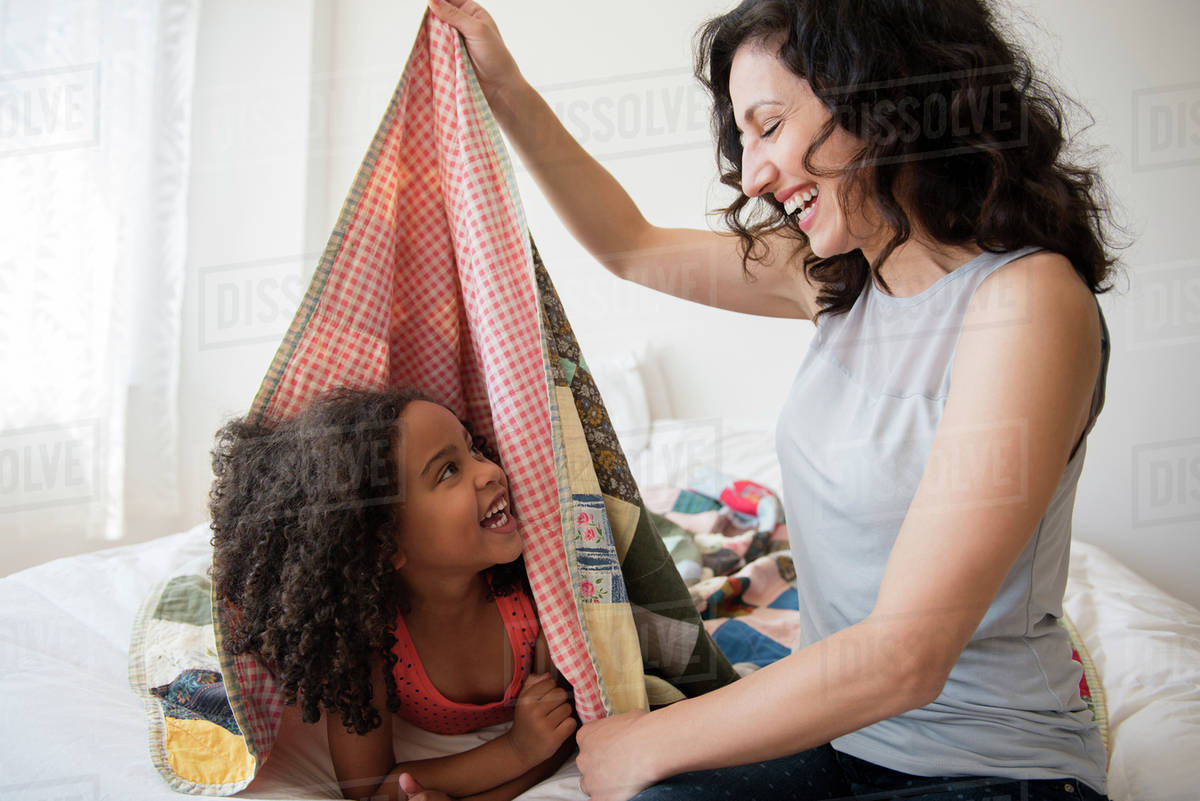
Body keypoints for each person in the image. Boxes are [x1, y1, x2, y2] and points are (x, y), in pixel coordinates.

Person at [427, 0, 1121, 799]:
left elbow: (906, 653)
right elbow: (630, 245)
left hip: (994, 766)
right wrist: (504, 85)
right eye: (744, 138)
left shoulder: (1028, 303)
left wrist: (653, 739)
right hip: (842, 739)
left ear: (882, 95)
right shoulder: (838, 278)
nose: (753, 174)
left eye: (769, 125)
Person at [209, 387, 577, 801]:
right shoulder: (366, 647)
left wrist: (518, 751)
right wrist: (517, 752)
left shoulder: (538, 598)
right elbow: (370, 790)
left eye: (473, 449)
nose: (490, 471)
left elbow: (563, 732)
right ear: (385, 544)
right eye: (448, 471)